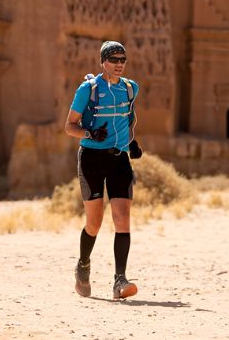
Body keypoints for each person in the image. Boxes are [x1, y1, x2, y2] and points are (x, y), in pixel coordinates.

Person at [63, 40, 140, 300]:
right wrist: (90, 133)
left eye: (122, 60)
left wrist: (132, 141)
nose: (119, 64)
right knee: (94, 223)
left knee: (122, 219)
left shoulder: (130, 89)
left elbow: (128, 119)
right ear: (103, 62)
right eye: (114, 59)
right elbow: (69, 126)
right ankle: (83, 265)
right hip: (92, 160)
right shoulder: (89, 89)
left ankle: (120, 280)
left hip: (119, 160)